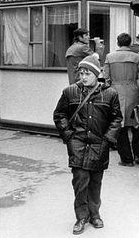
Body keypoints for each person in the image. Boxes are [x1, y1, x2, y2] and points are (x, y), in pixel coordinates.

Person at [53, 55, 122, 235]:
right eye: (81, 73)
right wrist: (69, 136)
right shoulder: (70, 92)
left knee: (96, 182)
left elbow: (116, 118)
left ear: (96, 73)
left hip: (99, 145)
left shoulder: (110, 93)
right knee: (80, 181)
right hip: (78, 144)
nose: (83, 77)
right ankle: (81, 217)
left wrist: (107, 139)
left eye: (87, 73)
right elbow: (60, 115)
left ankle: (95, 214)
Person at [104, 33, 139, 166]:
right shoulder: (137, 57)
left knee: (119, 124)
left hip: (116, 91)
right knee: (136, 122)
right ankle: (138, 154)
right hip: (133, 90)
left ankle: (127, 159)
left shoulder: (110, 57)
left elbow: (106, 78)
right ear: (129, 43)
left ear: (118, 43)